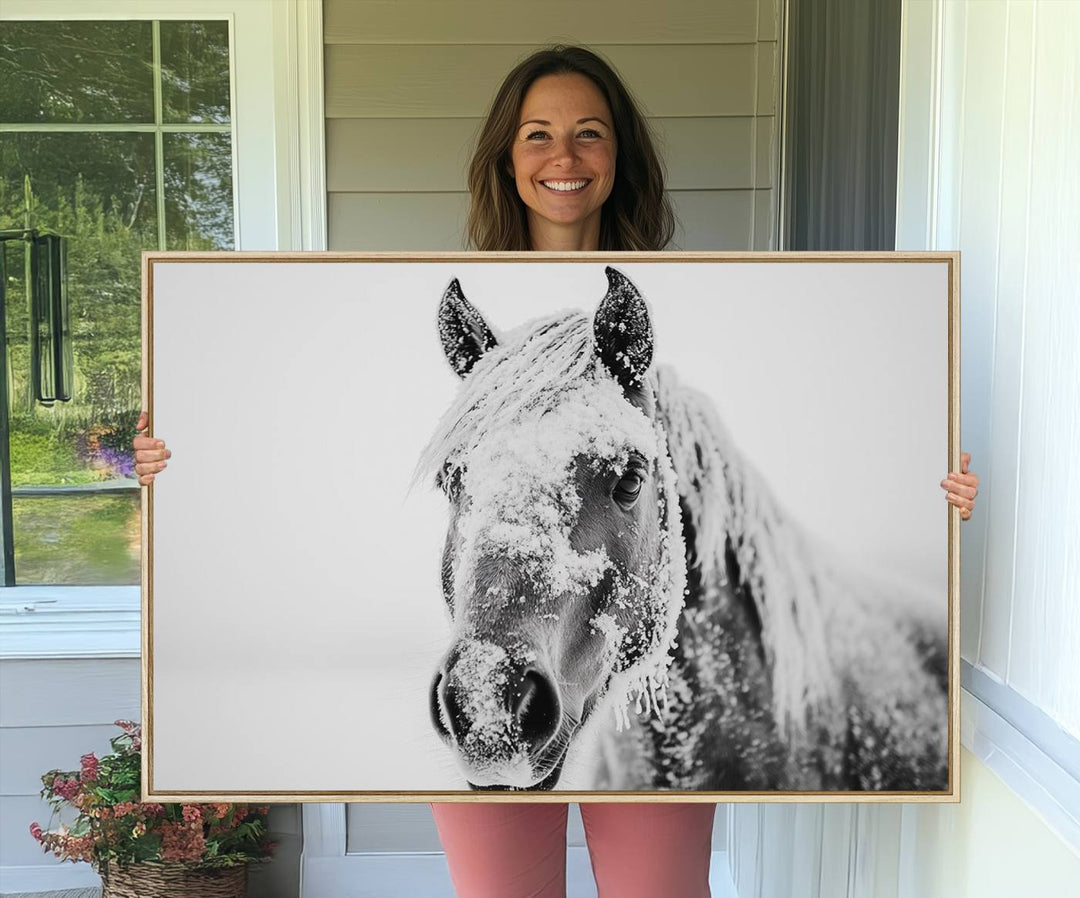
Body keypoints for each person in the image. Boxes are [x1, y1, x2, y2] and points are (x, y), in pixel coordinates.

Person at [133, 45, 980, 898]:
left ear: (619, 159)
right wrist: (181, 466)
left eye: (589, 134)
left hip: (626, 671)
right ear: (508, 157)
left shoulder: (682, 308)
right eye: (537, 135)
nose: (563, 157)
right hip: (499, 656)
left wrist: (932, 489)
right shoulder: (456, 311)